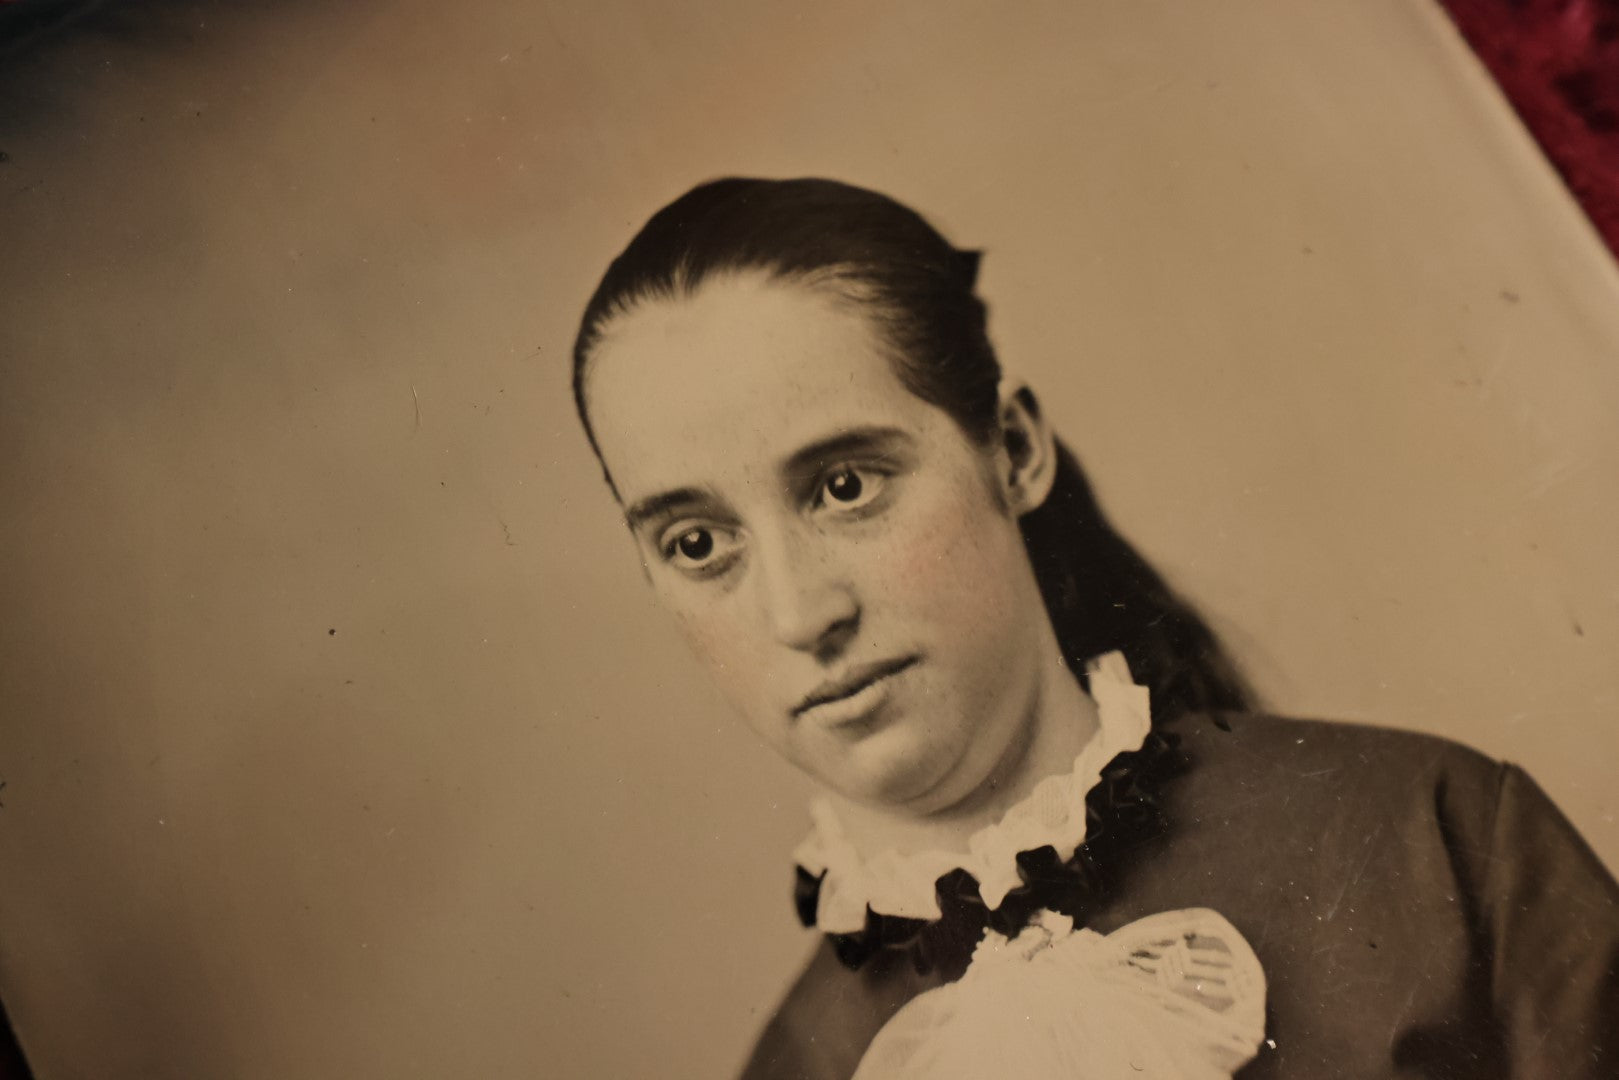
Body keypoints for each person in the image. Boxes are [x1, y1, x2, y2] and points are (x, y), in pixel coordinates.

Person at [569, 177, 1619, 1079]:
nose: (799, 614)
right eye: (698, 544)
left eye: (846, 485)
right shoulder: (799, 1067)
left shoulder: (1433, 837)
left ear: (1014, 450)